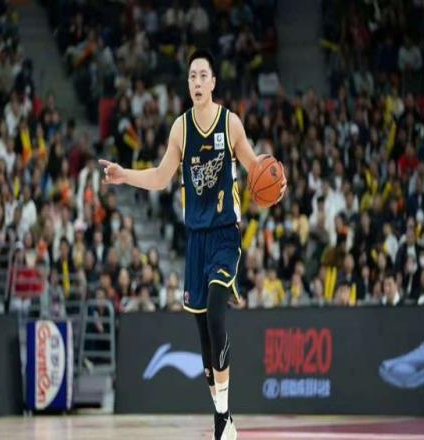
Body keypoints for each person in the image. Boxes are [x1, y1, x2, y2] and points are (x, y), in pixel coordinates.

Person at [100, 49, 286, 439]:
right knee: (204, 339)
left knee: (217, 316)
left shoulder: (230, 124)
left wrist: (274, 181)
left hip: (224, 235)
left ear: (213, 83)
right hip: (196, 240)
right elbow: (160, 177)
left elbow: (254, 166)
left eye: (203, 75)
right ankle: (223, 419)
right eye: (192, 77)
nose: (197, 82)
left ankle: (223, 418)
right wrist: (123, 175)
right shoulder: (180, 129)